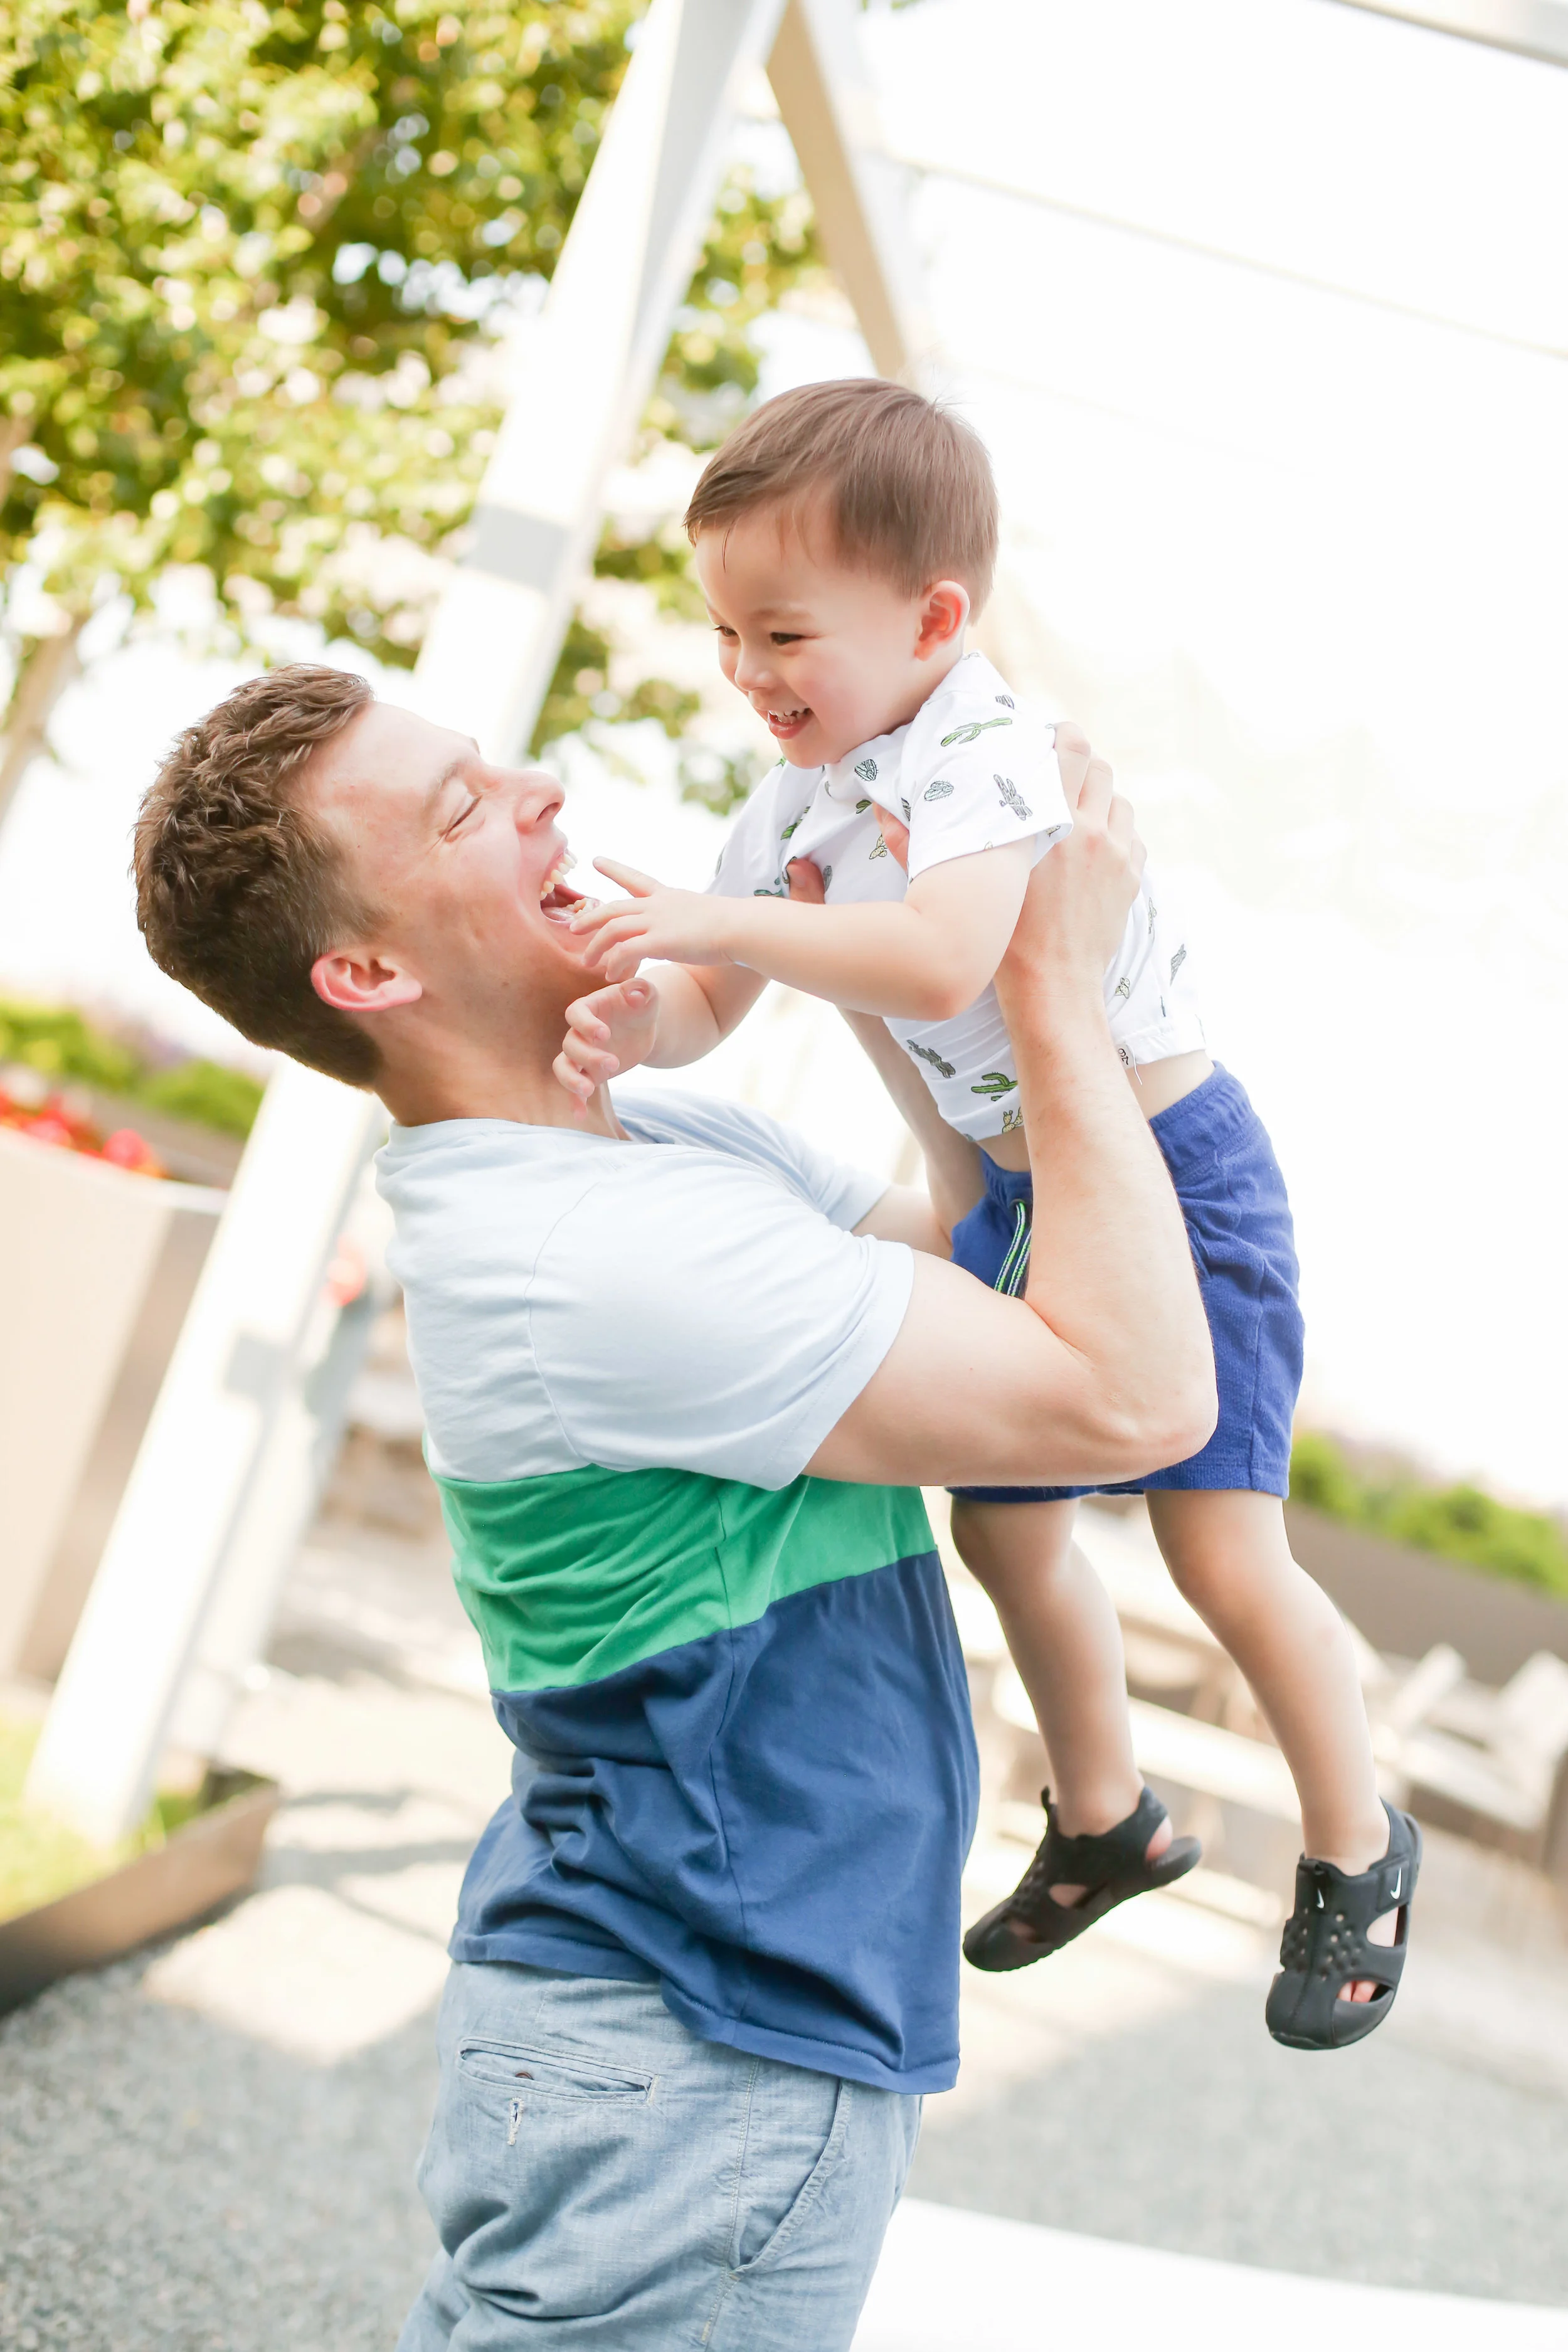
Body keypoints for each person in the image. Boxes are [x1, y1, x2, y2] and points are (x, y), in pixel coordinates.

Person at [132, 664, 1214, 2348]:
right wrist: (1052, 986)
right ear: (371, 974)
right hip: (704, 2058)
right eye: (463, 809)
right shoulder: (594, 1253)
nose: (542, 793)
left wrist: (875, 957)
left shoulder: (644, 1145)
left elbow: (971, 1253)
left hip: (671, 2034)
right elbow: (1130, 1396)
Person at [559, 378, 1419, 2052]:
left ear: (934, 620)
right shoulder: (799, 795)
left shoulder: (983, 751)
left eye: (783, 635)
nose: (745, 672)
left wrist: (706, 917)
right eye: (726, 631)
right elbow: (710, 997)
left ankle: (1353, 1845)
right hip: (1025, 1189)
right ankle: (1107, 1817)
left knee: (1218, 1548)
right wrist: (628, 1013)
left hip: (1172, 1176)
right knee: (1005, 1530)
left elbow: (943, 954)